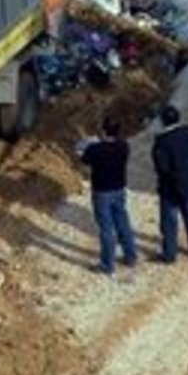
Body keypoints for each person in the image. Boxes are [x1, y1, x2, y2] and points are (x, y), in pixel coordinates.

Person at [77, 115, 137, 275]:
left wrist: (86, 144)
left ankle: (107, 265)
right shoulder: (124, 146)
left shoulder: (96, 149)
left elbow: (83, 159)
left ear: (103, 131)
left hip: (102, 192)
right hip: (119, 189)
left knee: (106, 228)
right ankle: (130, 256)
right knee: (122, 221)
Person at [151, 104, 188, 263]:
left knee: (169, 221)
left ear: (163, 121)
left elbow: (162, 167)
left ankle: (169, 254)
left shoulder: (162, 141)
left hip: (171, 187)